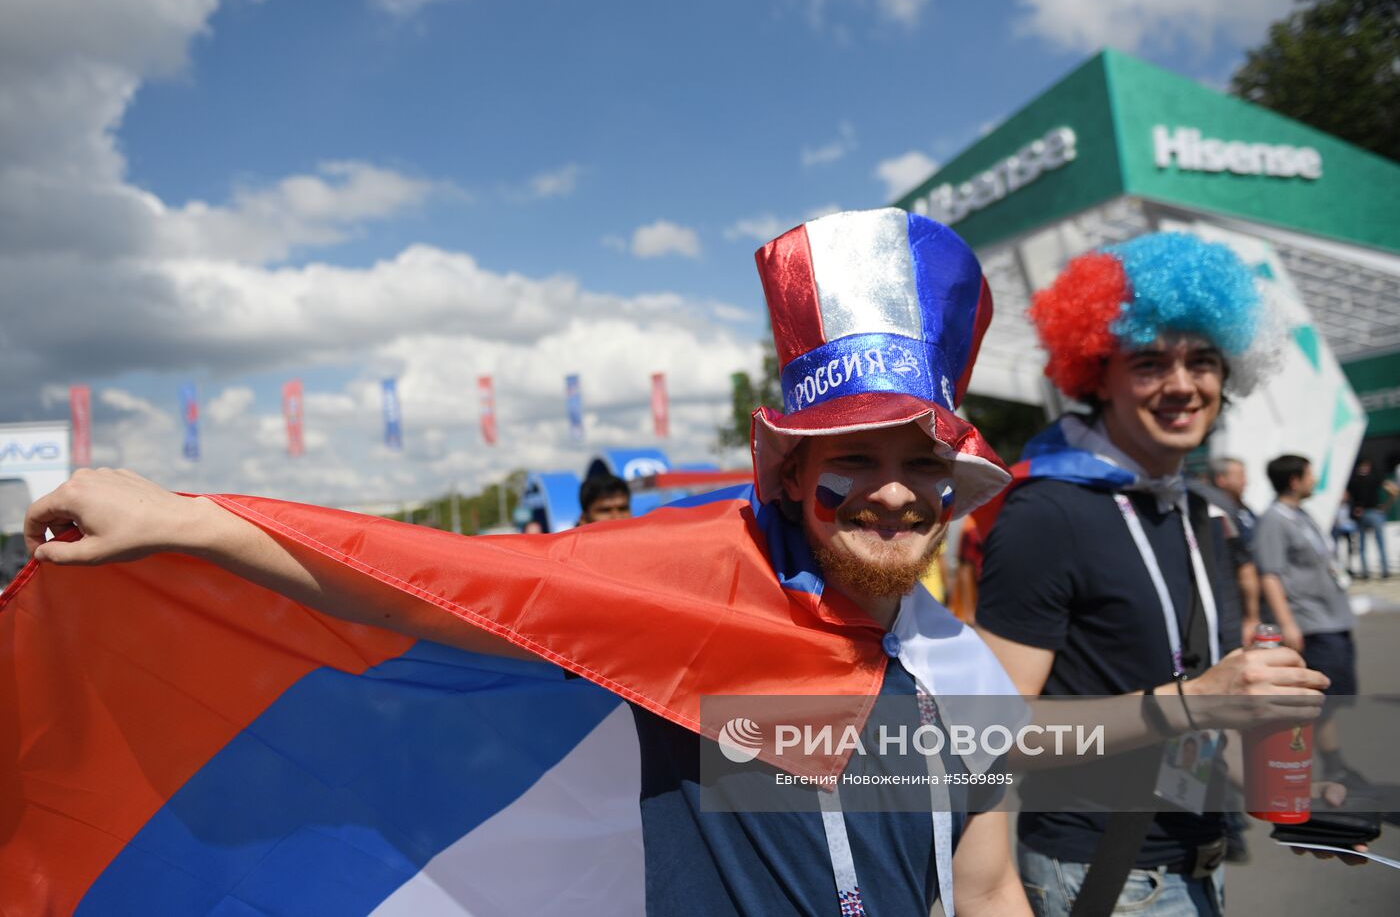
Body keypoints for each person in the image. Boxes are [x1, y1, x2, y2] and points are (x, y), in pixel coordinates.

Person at [21, 209, 1030, 915]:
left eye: (918, 462)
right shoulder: (692, 589)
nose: (890, 492)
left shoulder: (959, 673)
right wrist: (192, 520)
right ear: (789, 468)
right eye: (852, 457)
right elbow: (435, 588)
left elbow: (985, 890)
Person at [974, 232, 1341, 916]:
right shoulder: (1048, 513)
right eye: (1149, 362)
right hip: (1102, 875)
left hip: (1198, 865)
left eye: (1202, 361)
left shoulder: (1201, 512)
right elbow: (994, 732)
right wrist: (1191, 700)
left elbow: (1203, 713)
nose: (1182, 385)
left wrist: (1289, 794)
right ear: (1096, 371)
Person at [1255, 454, 1360, 784]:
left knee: (1329, 697)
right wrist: (1287, 624)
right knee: (1318, 697)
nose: (1315, 480)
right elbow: (1269, 575)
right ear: (1294, 481)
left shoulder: (1301, 515)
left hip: (1332, 617)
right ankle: (1295, 766)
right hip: (1311, 622)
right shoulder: (1274, 520)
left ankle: (1333, 763)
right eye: (1310, 475)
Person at [1190, 457, 1261, 646]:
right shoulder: (1218, 507)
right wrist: (1251, 617)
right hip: (1226, 615)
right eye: (1240, 476)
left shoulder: (1242, 509)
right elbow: (1245, 566)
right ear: (1221, 479)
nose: (1246, 481)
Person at [1347, 458, 1396, 580]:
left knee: (1362, 546)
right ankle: (1384, 571)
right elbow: (1394, 491)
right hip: (1375, 512)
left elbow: (1344, 497)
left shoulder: (1353, 480)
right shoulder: (1376, 477)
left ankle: (1365, 572)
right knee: (1380, 543)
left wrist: (1353, 508)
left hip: (1361, 514)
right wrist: (1386, 506)